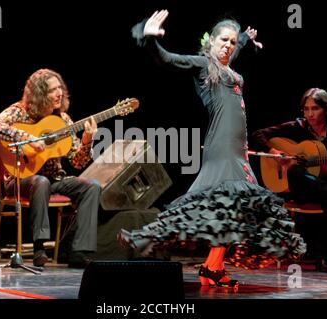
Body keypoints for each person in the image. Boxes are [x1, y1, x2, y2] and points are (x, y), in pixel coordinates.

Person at [117, 10, 306, 288]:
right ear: (211, 43)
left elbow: (236, 46)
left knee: (233, 210)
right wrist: (150, 41)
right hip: (221, 149)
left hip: (238, 151)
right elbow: (169, 60)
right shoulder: (205, 65)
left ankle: (212, 268)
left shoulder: (228, 62)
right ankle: (146, 237)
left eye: (231, 42)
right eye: (223, 41)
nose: (228, 45)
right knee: (222, 204)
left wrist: (245, 40)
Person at [0, 68, 101, 268]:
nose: (59, 94)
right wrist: (29, 138)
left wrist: (87, 141)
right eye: (52, 90)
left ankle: (79, 251)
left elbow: (77, 161)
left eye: (60, 89)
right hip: (20, 180)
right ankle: (40, 248)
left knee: (92, 186)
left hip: (54, 180)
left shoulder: (63, 120)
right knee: (41, 181)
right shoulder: (19, 111)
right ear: (39, 94)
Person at [251, 87, 327, 272]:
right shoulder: (297, 126)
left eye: (315, 109)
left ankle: (323, 257)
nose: (309, 114)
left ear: (326, 110)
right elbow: (258, 134)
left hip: (324, 192)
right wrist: (274, 152)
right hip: (297, 189)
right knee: (294, 172)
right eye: (306, 109)